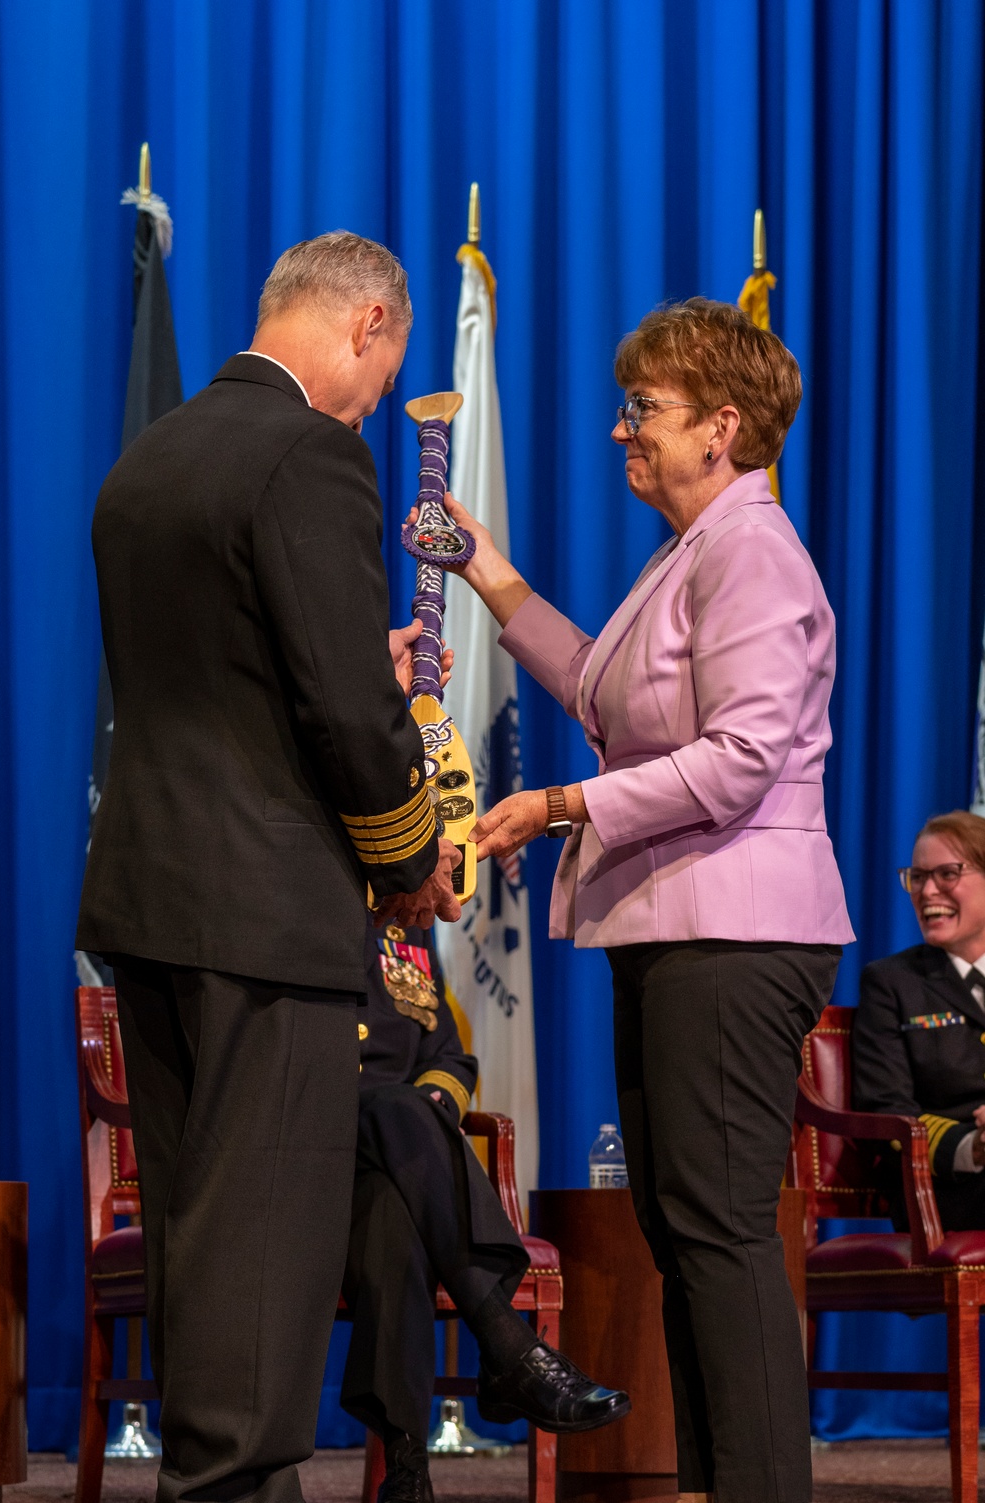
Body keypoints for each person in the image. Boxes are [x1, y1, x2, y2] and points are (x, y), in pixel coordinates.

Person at [436, 298, 855, 1503]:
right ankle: (727, 1482)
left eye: (644, 411)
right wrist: (489, 575)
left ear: (722, 427)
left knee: (717, 1233)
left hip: (737, 931)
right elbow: (603, 693)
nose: (622, 431)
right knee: (686, 1234)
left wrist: (558, 807)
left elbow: (736, 761)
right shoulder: (690, 553)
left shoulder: (754, 555)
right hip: (674, 926)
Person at [76, 232, 464, 1503]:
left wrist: (355, 649)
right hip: (266, 915)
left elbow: (229, 675)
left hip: (149, 898)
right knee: (267, 1246)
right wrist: (412, 861)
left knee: (201, 1234)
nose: (374, 396)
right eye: (385, 364)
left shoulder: (148, 459)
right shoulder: (312, 454)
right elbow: (348, 720)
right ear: (366, 324)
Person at [343, 920, 628, 1502]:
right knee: (396, 1111)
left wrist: (431, 1110)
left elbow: (448, 1055)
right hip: (317, 1164)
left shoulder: (403, 933)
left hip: (394, 1179)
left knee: (396, 1223)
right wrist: (407, 1116)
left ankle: (407, 1474)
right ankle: (506, 1346)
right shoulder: (310, 902)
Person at [854, 810, 985, 1231]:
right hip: (948, 1192)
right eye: (917, 876)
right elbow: (885, 1110)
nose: (928, 891)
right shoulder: (893, 983)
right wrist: (974, 1147)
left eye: (947, 874)